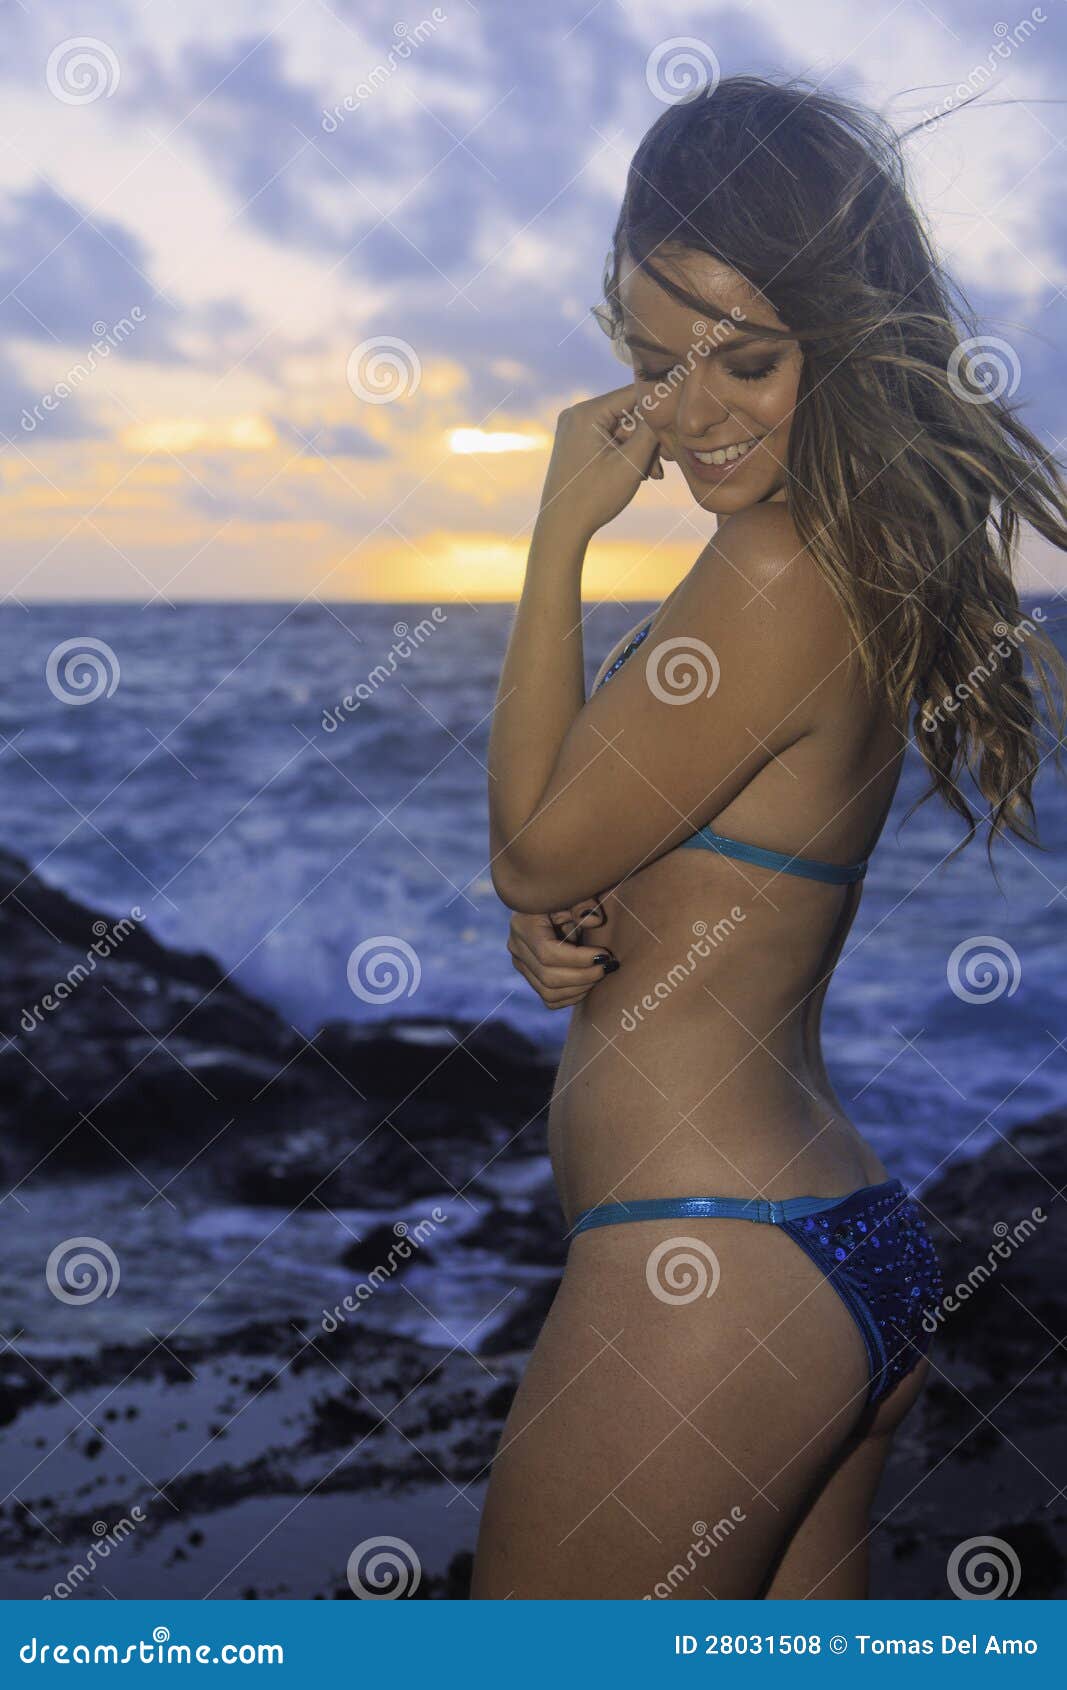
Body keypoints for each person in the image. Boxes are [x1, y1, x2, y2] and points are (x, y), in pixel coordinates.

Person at [475, 75, 1066, 1599]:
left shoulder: (767, 575)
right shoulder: (845, 561)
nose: (689, 413)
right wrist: (583, 904)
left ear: (840, 332)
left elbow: (533, 845)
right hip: (830, 1250)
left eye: (746, 359)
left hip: (715, 1270)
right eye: (655, 364)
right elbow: (609, 848)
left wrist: (557, 533)